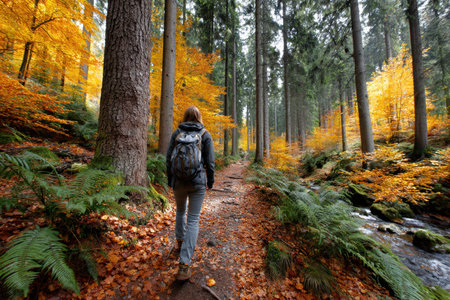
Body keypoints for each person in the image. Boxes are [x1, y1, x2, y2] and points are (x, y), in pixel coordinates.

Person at [166, 106, 215, 280]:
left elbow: (168, 158)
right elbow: (209, 162)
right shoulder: (205, 135)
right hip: (198, 183)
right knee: (193, 219)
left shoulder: (177, 133)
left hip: (179, 181)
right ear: (199, 117)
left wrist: (170, 180)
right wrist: (210, 182)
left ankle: (180, 242)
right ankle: (184, 264)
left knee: (180, 212)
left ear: (185, 117)